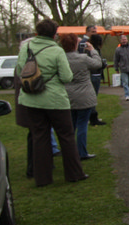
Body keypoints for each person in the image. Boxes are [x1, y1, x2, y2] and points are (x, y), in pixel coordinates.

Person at [15, 19, 87, 187]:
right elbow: (66, 76)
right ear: (54, 34)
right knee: (66, 136)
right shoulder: (56, 51)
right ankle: (74, 173)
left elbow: (20, 70)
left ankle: (42, 178)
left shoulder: (26, 47)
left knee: (39, 137)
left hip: (31, 99)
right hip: (55, 99)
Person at [61, 33, 102, 160]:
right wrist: (93, 50)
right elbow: (97, 63)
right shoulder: (83, 58)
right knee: (82, 124)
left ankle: (70, 151)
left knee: (71, 125)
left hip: (68, 95)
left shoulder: (61, 59)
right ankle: (82, 152)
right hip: (84, 95)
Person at [87, 32, 108, 126]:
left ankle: (91, 116)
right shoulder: (95, 51)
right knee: (92, 97)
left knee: (91, 96)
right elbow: (97, 63)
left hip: (92, 74)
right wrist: (103, 64)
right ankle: (92, 117)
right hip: (95, 75)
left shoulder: (88, 51)